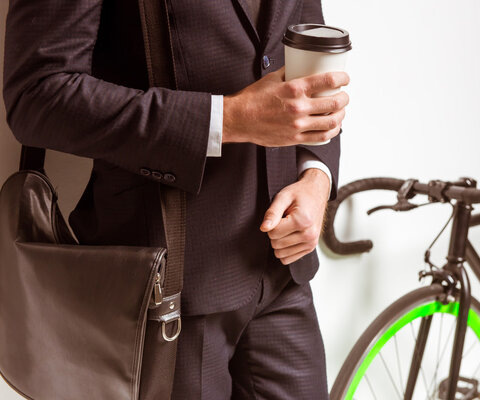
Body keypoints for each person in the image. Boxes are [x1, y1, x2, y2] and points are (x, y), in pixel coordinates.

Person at [3, 0, 348, 398]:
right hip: (166, 287)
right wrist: (227, 119)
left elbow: (311, 63)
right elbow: (38, 94)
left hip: (284, 275)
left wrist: (316, 177)